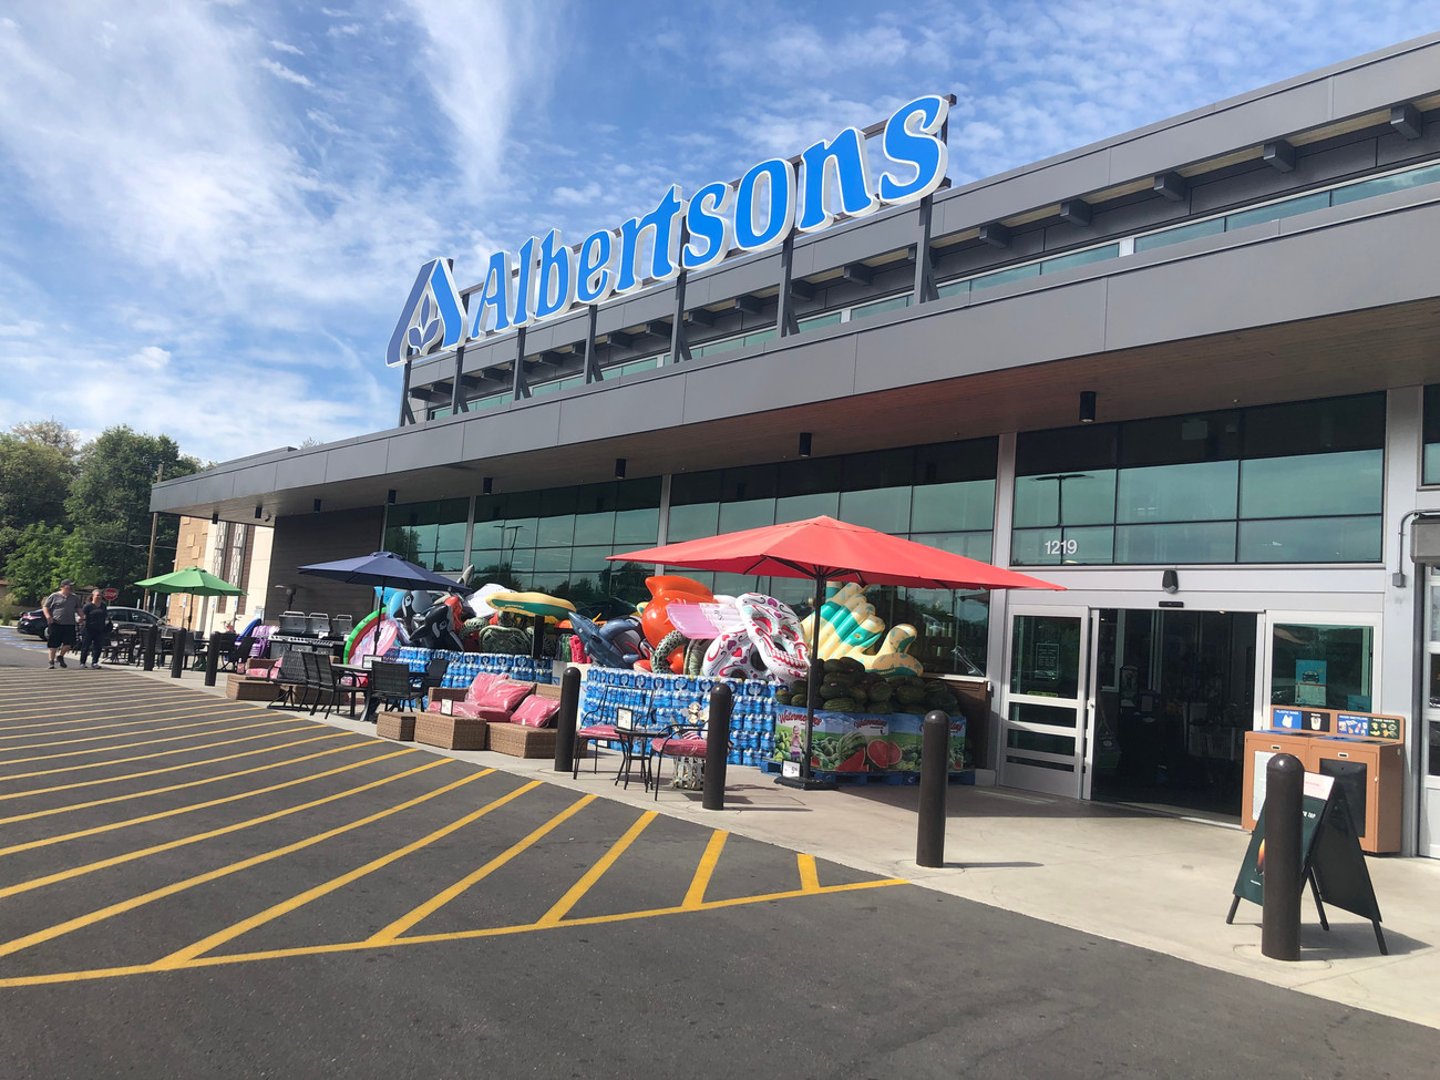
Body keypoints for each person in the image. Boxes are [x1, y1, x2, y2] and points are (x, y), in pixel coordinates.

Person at [43, 579, 82, 669]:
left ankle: (60, 656)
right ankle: (51, 661)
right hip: (56, 623)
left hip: (70, 623)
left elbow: (79, 608)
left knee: (68, 644)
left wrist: (82, 616)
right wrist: (48, 616)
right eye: (69, 586)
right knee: (54, 644)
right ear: (63, 586)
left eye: (71, 586)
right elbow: (46, 607)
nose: (71, 587)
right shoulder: (54, 596)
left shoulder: (74, 597)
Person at [78, 589, 112, 669]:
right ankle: (82, 662)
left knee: (98, 646)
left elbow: (106, 616)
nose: (99, 597)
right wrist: (81, 620)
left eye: (100, 595)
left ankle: (95, 662)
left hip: (100, 629)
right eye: (97, 595)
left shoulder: (103, 606)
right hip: (88, 629)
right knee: (85, 646)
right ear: (93, 596)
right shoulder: (88, 606)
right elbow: (82, 616)